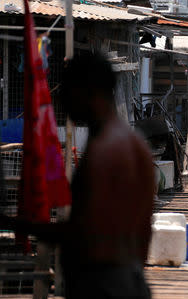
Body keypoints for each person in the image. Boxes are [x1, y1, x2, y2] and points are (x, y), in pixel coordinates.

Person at [0, 52, 155, 299]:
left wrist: (16, 224)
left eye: (67, 91)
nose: (61, 102)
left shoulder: (107, 151)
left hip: (103, 283)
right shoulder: (132, 142)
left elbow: (87, 231)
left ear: (88, 91)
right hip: (127, 276)